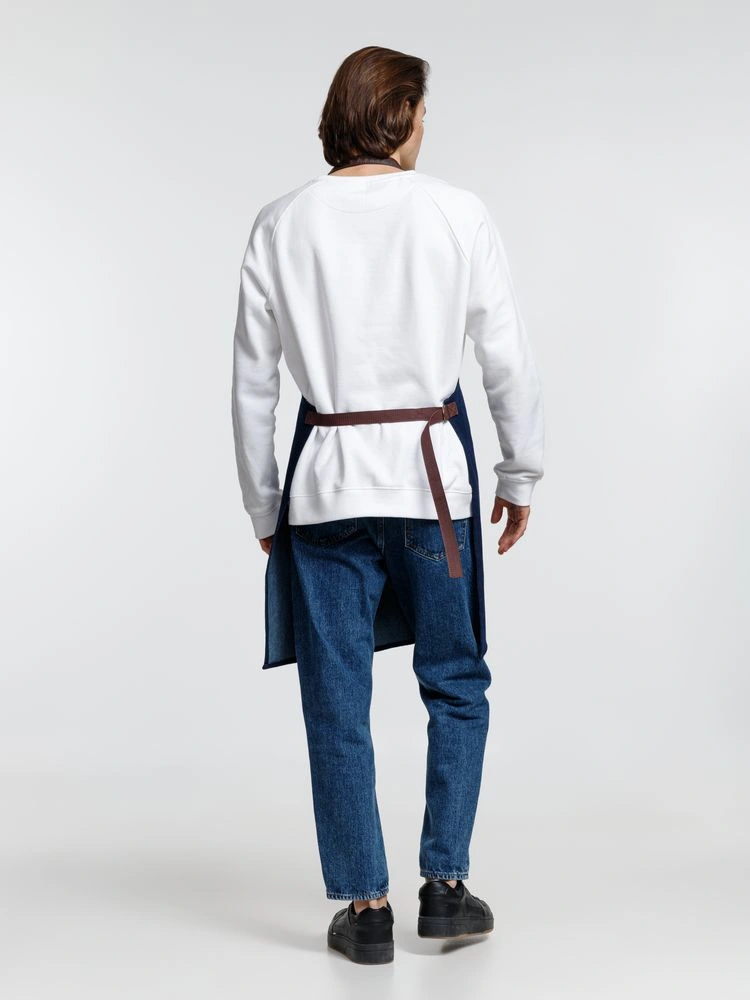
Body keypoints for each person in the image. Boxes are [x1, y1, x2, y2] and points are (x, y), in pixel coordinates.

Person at [231, 45, 545, 964]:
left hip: (323, 490)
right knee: (455, 679)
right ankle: (444, 889)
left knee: (336, 698)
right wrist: (520, 473)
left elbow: (252, 386)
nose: (424, 131)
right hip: (432, 487)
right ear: (400, 116)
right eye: (422, 115)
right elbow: (507, 357)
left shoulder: (280, 222)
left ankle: (365, 909)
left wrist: (263, 507)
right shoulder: (456, 211)